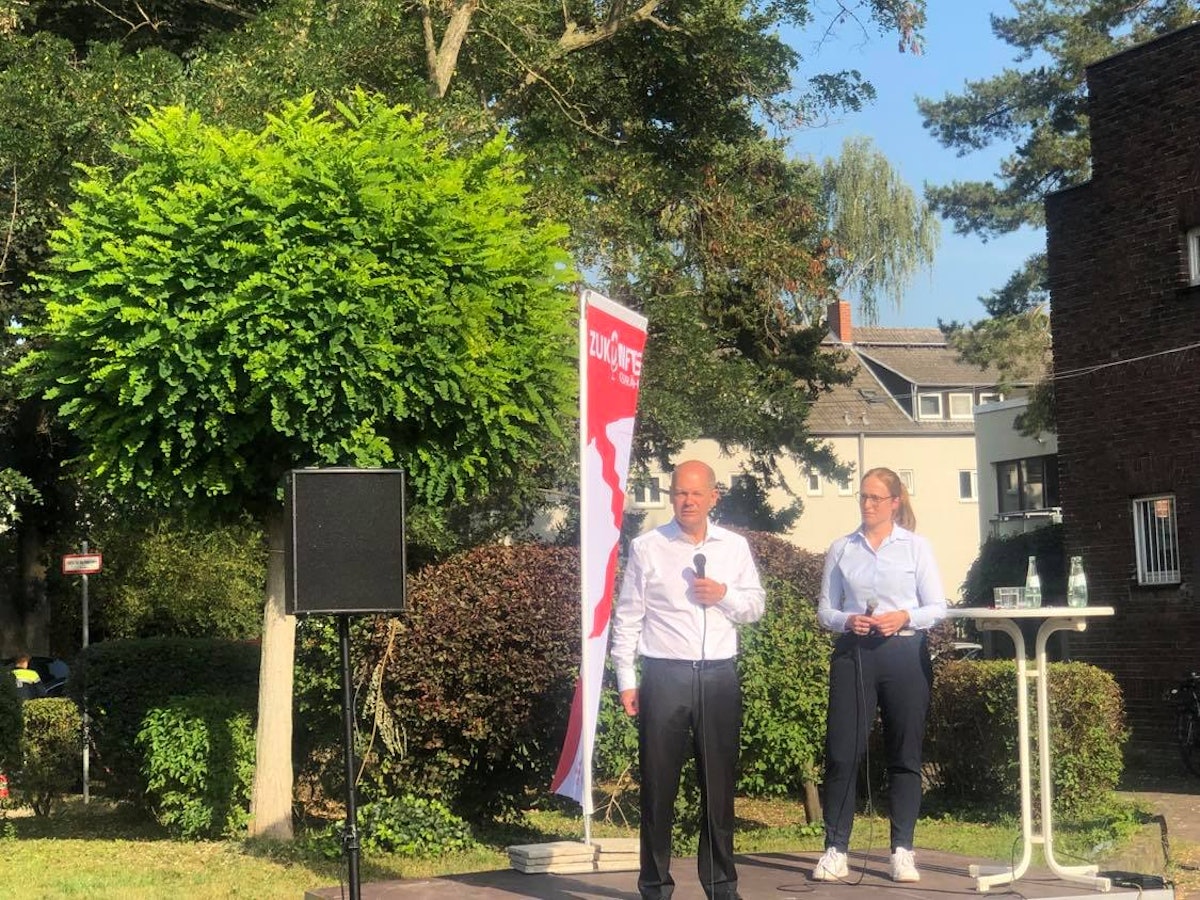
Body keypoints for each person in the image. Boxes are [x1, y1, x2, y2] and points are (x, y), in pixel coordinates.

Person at [611, 460, 766, 900]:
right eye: (681, 492)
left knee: (719, 789)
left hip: (718, 675)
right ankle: (655, 887)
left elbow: (755, 606)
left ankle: (721, 885)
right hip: (665, 675)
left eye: (697, 493)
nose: (688, 501)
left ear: (714, 497)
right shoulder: (647, 548)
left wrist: (724, 596)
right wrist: (626, 678)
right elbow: (628, 617)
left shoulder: (734, 547)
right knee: (659, 788)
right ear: (670, 495)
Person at [811, 466, 946, 884]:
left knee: (904, 754)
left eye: (875, 498)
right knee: (842, 752)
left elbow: (937, 607)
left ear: (894, 502)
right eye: (863, 498)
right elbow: (825, 611)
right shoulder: (841, 548)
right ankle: (836, 849)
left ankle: (902, 850)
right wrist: (848, 620)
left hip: (905, 651)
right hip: (855, 654)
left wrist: (904, 615)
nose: (867, 505)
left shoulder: (916, 548)